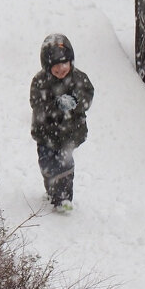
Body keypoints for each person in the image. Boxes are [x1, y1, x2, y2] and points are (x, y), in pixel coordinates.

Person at [29, 33, 94, 212]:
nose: (60, 70)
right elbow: (37, 103)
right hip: (45, 133)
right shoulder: (40, 82)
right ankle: (52, 192)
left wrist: (76, 102)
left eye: (64, 65)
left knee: (65, 164)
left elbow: (87, 96)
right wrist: (55, 105)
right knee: (47, 165)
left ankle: (64, 199)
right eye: (55, 68)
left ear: (71, 61)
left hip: (69, 132)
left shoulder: (79, 78)